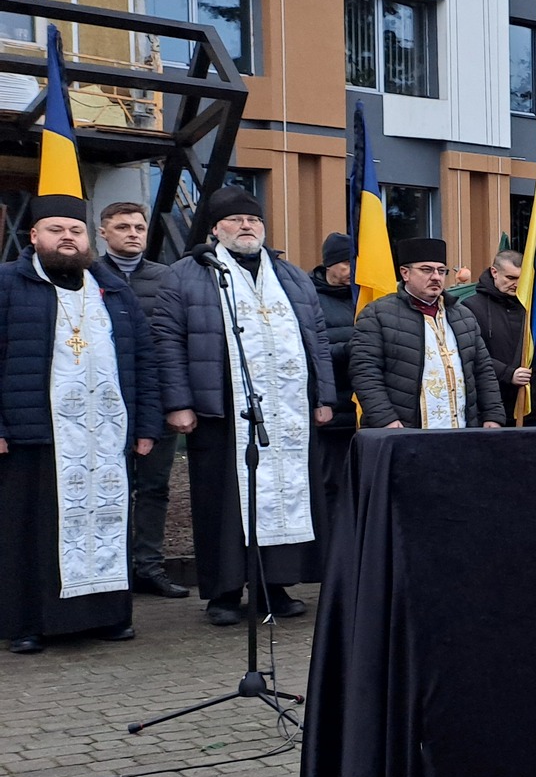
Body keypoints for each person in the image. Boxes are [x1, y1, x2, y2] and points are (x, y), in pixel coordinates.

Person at [154, 187, 335, 626]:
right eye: (235, 220)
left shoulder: (289, 277)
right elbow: (167, 342)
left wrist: (325, 395)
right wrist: (179, 403)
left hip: (287, 409)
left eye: (253, 220)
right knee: (224, 504)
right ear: (216, 228)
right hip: (221, 410)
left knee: (284, 493)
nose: (246, 226)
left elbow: (317, 339)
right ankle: (223, 593)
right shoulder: (185, 275)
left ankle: (275, 584)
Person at [0, 197, 162, 653]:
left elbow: (143, 360)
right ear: (34, 236)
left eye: (76, 230)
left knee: (105, 523)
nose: (67, 238)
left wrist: (146, 425)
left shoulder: (112, 289)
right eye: (55, 230)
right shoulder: (8, 284)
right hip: (35, 433)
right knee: (32, 532)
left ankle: (106, 616)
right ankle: (29, 624)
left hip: (105, 438)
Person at [91, 201, 185, 600]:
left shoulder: (167, 278)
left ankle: (148, 565)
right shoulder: (84, 275)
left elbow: (176, 341)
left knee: (153, 488)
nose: (132, 233)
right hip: (100, 403)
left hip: (155, 400)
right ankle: (107, 568)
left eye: (139, 227)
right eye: (122, 226)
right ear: (103, 233)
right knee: (103, 489)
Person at [350, 238, 506, 430]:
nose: (436, 277)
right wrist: (385, 420)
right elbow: (365, 371)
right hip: (403, 429)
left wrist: (493, 415)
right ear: (405, 273)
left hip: (461, 429)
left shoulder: (463, 315)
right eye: (426, 270)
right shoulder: (377, 314)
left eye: (441, 271)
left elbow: (483, 370)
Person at [309, 232, 357, 517]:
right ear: (329, 264)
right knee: (331, 486)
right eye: (346, 264)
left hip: (367, 413)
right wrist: (351, 348)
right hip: (333, 412)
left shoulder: (369, 295)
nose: (353, 270)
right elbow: (312, 352)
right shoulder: (309, 299)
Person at [462, 250, 532, 422]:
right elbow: (470, 353)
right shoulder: (470, 307)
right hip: (486, 403)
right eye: (510, 278)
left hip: (527, 405)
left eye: (521, 279)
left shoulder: (531, 308)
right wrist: (508, 374)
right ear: (494, 272)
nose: (516, 284)